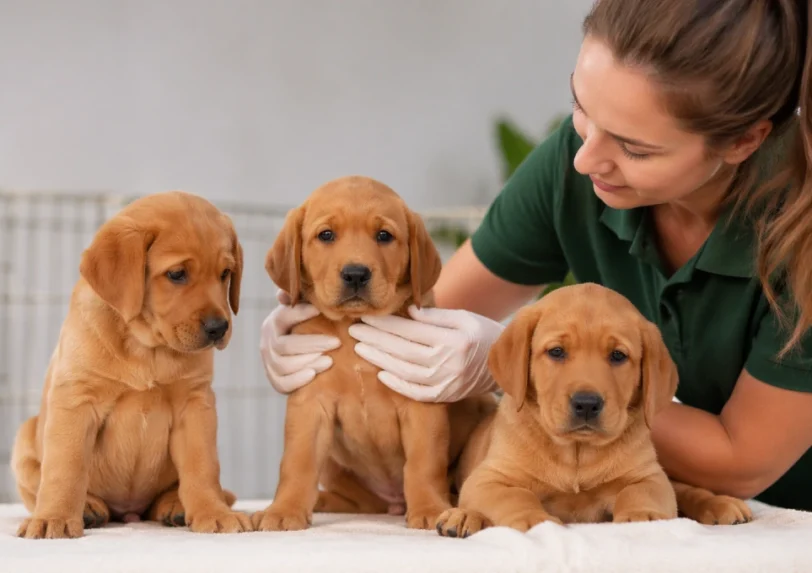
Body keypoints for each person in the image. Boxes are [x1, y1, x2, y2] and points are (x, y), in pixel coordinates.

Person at [258, 0, 812, 512]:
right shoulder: (575, 164)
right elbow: (427, 319)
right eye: (580, 106)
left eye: (635, 148)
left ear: (743, 142)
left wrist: (521, 366)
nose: (585, 159)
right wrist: (323, 336)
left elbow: (742, 465)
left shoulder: (798, 232)